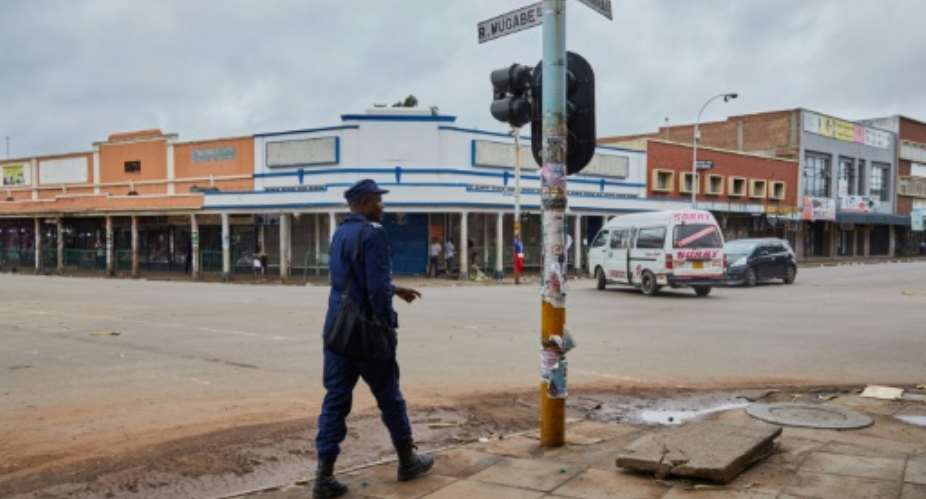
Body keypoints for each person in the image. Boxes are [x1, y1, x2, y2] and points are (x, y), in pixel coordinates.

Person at [313, 179, 432, 499]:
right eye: (379, 201)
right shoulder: (374, 233)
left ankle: (323, 477)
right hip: (366, 333)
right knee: (390, 396)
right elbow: (376, 289)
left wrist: (397, 289)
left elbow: (350, 279)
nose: (383, 207)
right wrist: (387, 327)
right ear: (365, 202)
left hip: (337, 329)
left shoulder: (340, 233)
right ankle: (407, 461)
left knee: (335, 399)